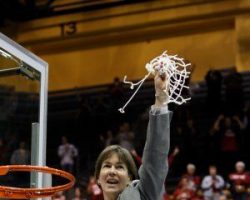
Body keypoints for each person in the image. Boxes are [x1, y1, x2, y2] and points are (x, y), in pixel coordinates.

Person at [94, 71, 172, 200]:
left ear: (130, 178)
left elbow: (155, 160)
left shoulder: (141, 195)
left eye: (119, 167)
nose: (112, 171)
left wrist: (161, 100)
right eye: (107, 166)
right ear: (98, 178)